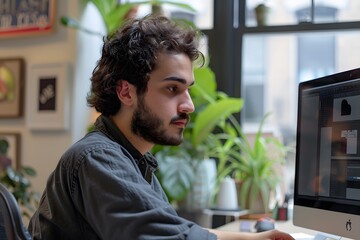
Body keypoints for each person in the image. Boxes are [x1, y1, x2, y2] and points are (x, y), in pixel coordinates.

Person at [28, 15, 294, 240]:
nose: (188, 105)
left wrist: (256, 238)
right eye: (172, 89)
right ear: (126, 92)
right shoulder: (98, 158)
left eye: (187, 90)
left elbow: (175, 230)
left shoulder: (132, 159)